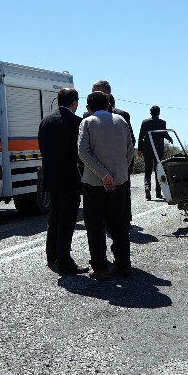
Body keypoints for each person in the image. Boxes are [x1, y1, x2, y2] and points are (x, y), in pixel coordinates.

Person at [78, 91, 135, 280]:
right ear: (109, 105)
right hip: (119, 183)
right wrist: (118, 172)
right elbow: (130, 150)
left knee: (95, 225)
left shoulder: (87, 122)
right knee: (119, 224)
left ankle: (101, 268)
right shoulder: (121, 121)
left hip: (94, 183)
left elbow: (83, 153)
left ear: (88, 108)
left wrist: (103, 174)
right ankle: (124, 265)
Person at [37, 87, 87, 275]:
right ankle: (65, 261)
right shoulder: (76, 122)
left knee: (54, 217)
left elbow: (42, 148)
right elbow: (80, 154)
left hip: (51, 177)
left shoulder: (46, 121)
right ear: (74, 103)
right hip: (70, 178)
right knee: (67, 221)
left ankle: (52, 257)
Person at [138, 105, 172, 200]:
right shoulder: (162, 122)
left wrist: (139, 149)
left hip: (147, 149)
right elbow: (164, 133)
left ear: (150, 113)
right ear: (159, 113)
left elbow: (141, 136)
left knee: (147, 170)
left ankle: (147, 187)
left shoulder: (145, 122)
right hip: (158, 150)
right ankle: (158, 193)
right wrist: (170, 138)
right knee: (158, 170)